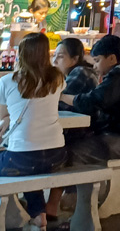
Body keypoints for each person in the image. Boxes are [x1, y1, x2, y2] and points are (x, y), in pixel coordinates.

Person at [0, 33, 66, 230]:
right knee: (34, 164)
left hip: (22, 159)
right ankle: (38, 214)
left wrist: (7, 119)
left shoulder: (8, 81)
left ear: (21, 54)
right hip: (57, 156)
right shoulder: (57, 78)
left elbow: (0, 113)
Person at [59, 34, 120, 164]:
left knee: (70, 154)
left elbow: (91, 101)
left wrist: (62, 97)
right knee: (75, 145)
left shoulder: (119, 79)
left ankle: (80, 183)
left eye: (97, 61)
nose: (94, 66)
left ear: (112, 58)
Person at [43, 37, 100, 221]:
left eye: (60, 56)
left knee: (56, 150)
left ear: (74, 59)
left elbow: (59, 104)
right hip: (77, 130)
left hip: (86, 133)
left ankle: (50, 206)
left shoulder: (80, 73)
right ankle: (44, 204)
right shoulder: (72, 74)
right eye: (54, 56)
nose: (55, 61)